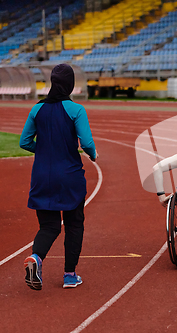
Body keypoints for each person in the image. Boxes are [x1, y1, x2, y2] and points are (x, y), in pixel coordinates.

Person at [19, 63, 97, 290]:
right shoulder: (76, 110)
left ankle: (36, 257)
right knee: (74, 224)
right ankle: (70, 275)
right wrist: (93, 155)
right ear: (71, 84)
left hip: (42, 176)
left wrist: (45, 151)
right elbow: (87, 143)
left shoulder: (36, 109)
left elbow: (24, 142)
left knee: (49, 226)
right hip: (70, 176)